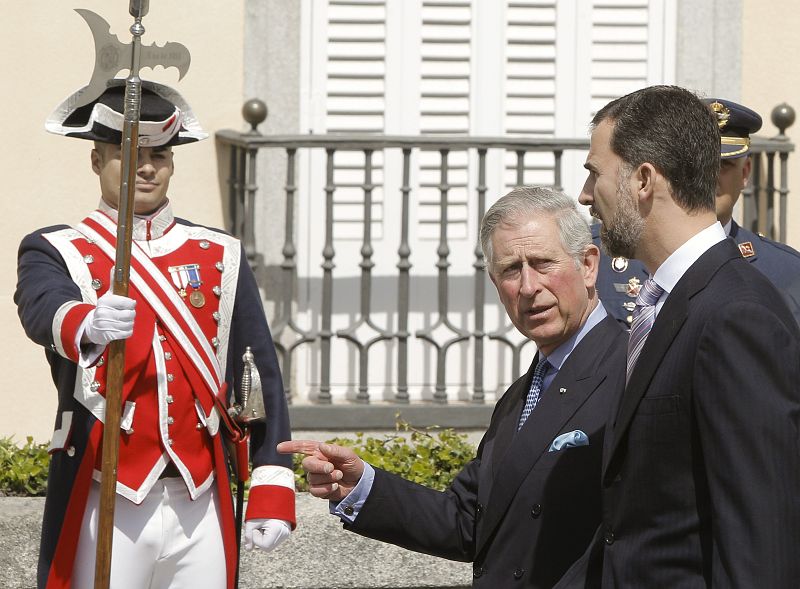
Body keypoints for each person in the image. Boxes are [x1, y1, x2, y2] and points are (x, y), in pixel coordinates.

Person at [15, 80, 296, 589]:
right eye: (130, 153)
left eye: (160, 155)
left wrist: (272, 485)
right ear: (97, 160)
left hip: (200, 495)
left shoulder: (219, 254)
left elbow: (257, 373)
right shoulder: (60, 249)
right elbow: (40, 308)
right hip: (110, 494)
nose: (146, 167)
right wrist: (86, 321)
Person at [279, 186, 628, 588]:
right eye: (511, 270)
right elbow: (470, 522)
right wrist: (361, 485)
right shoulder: (521, 396)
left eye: (543, 263)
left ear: (588, 265)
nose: (528, 286)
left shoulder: (630, 370)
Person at [566, 85, 800, 587]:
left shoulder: (735, 316)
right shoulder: (672, 299)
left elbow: (761, 541)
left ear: (644, 180)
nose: (585, 196)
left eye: (595, 173)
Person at [595, 97, 800, 328]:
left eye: (723, 166)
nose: (708, 177)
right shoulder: (598, 253)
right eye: (695, 166)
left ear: (745, 173)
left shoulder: (786, 270)